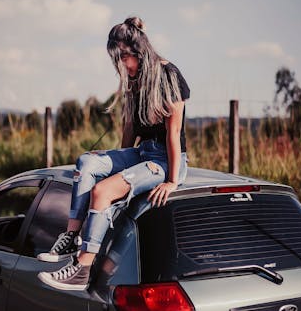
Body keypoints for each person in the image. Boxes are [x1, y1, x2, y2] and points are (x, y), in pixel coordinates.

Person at [37, 16, 190, 291]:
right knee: (88, 161)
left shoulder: (168, 76)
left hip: (165, 160)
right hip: (141, 153)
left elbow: (173, 134)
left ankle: (82, 267)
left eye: (123, 57)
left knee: (102, 192)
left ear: (138, 51)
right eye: (117, 58)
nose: (121, 63)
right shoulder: (134, 79)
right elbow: (130, 126)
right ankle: (71, 235)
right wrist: (115, 161)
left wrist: (172, 181)